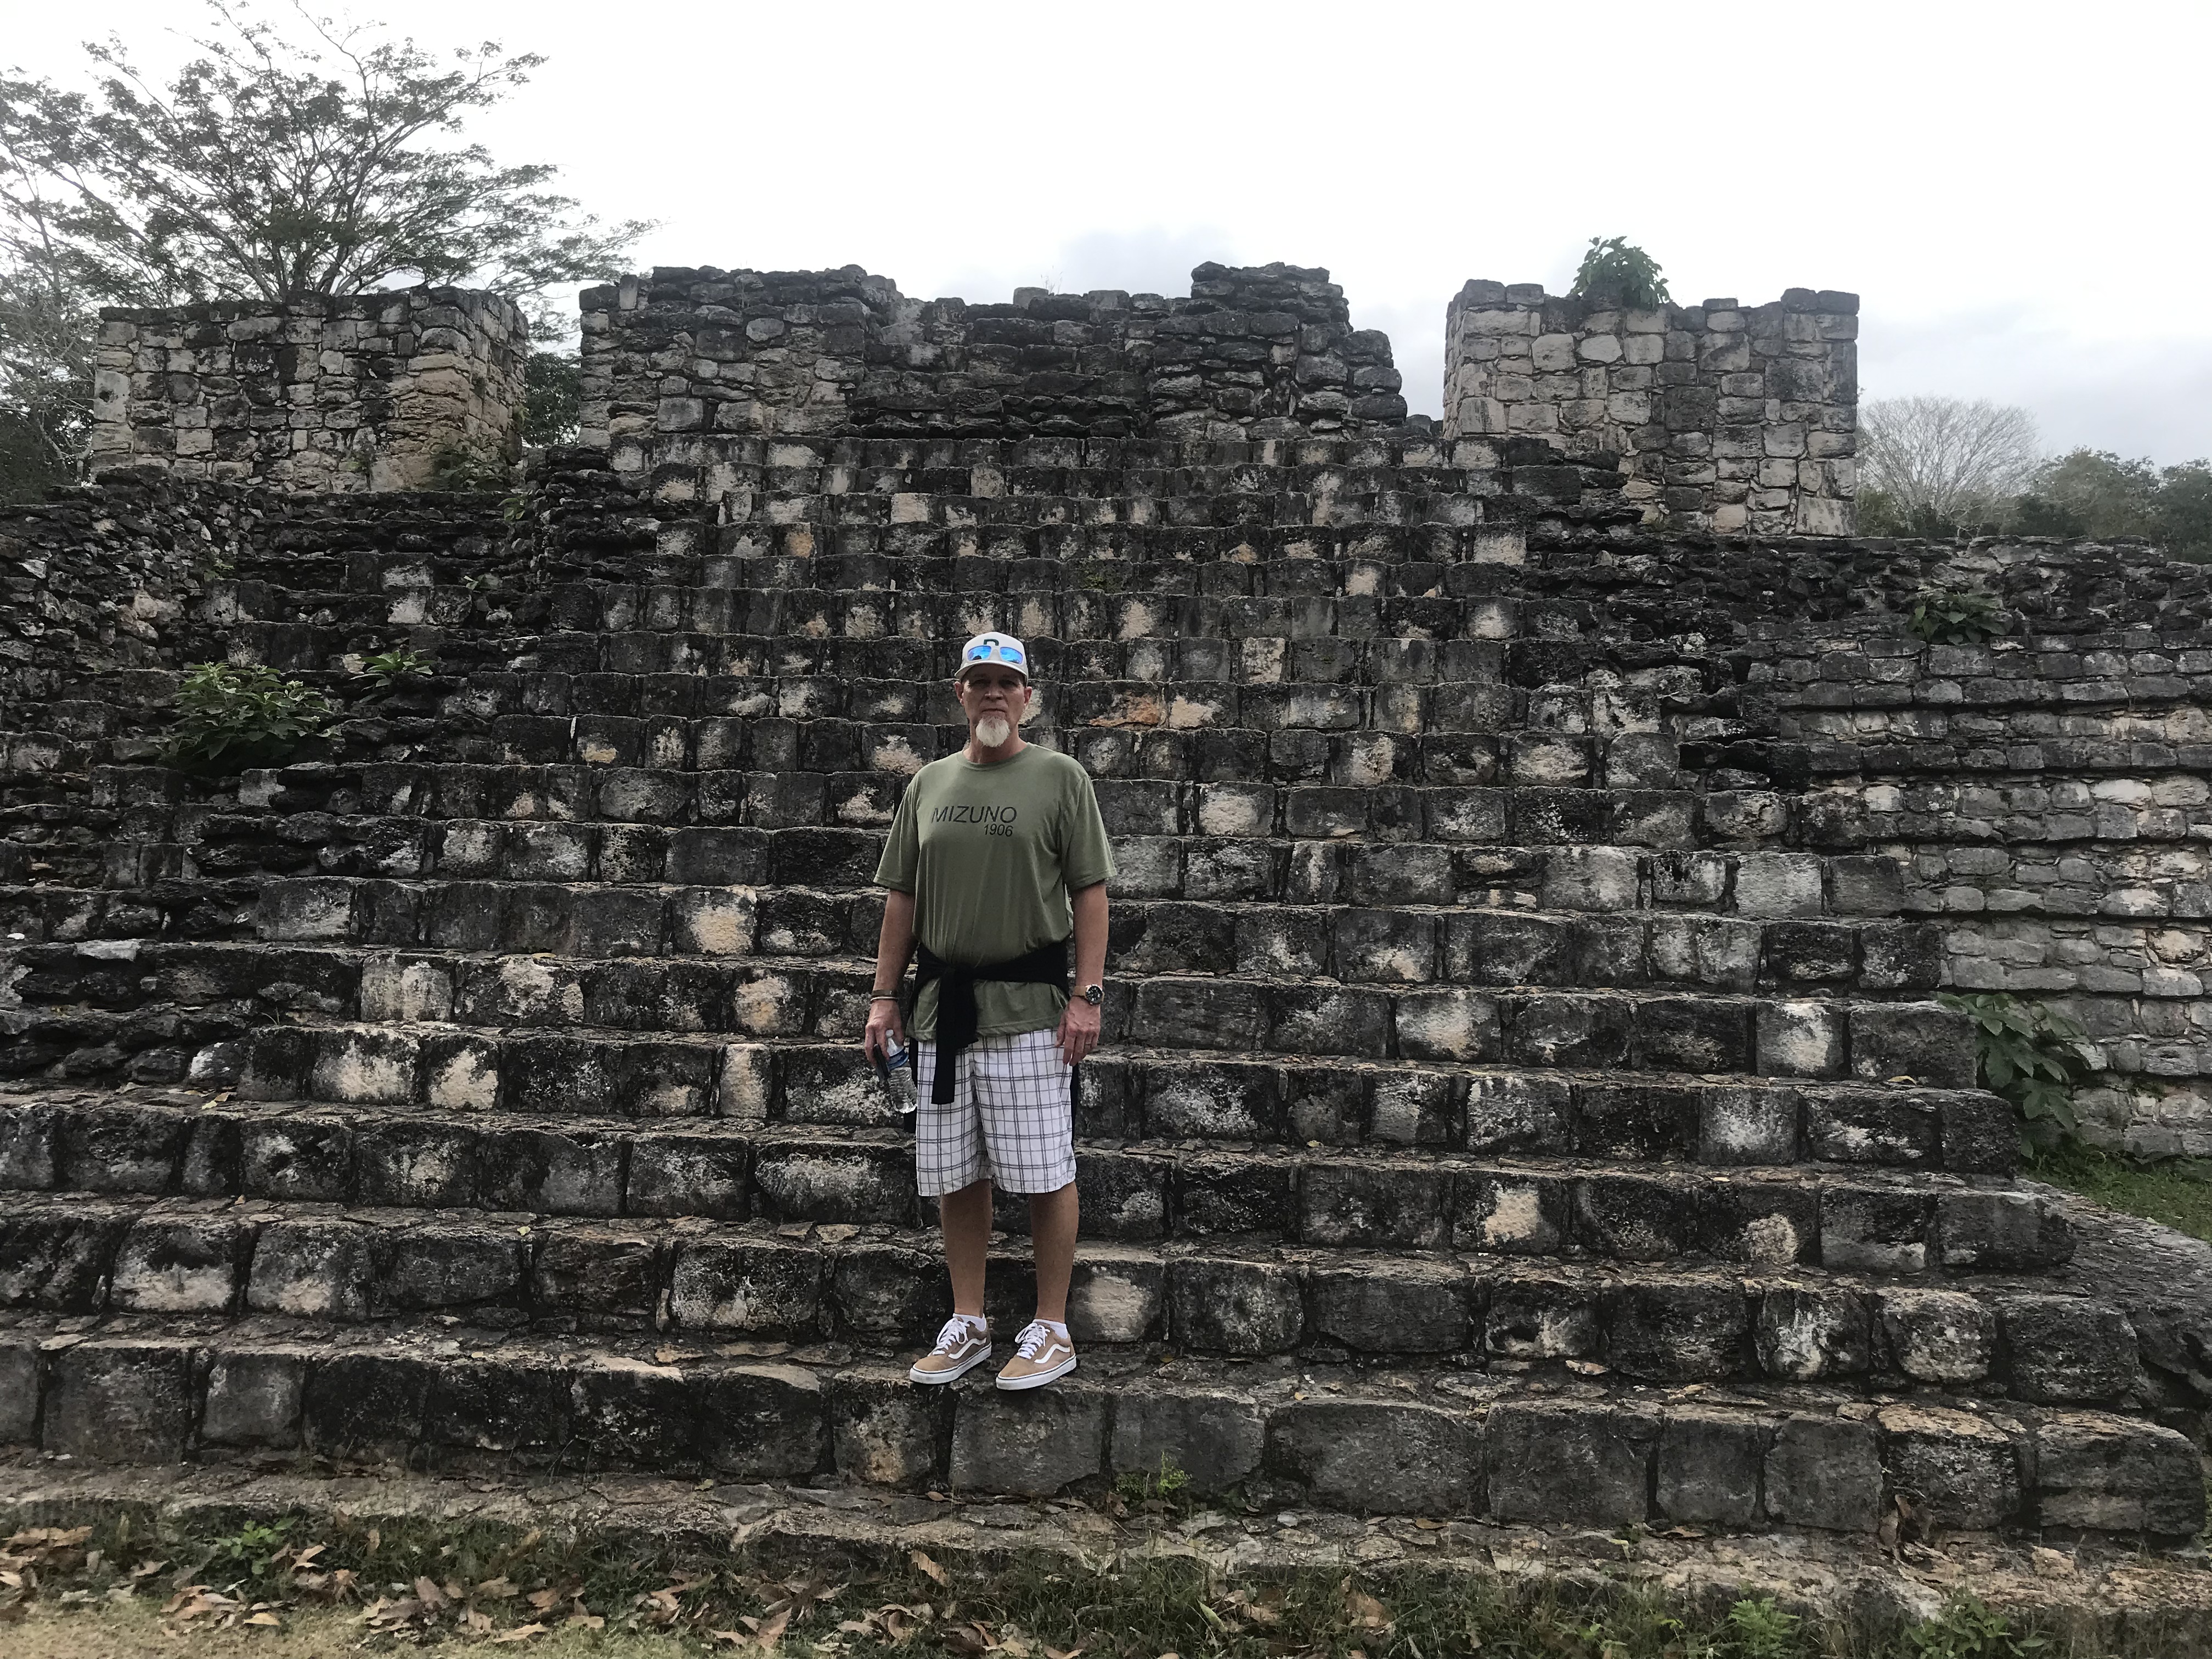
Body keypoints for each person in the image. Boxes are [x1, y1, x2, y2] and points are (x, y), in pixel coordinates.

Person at [862, 631, 1114, 1391]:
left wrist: (1087, 996)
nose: (994, 694)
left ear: (1027, 696)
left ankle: (1051, 1327)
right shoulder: (929, 784)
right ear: (960, 694)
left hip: (1031, 1010)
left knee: (1044, 1169)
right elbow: (902, 899)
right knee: (956, 1171)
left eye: (1007, 682)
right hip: (943, 1013)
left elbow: (1091, 893)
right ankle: (968, 1322)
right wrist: (883, 996)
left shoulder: (1061, 778)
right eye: (981, 681)